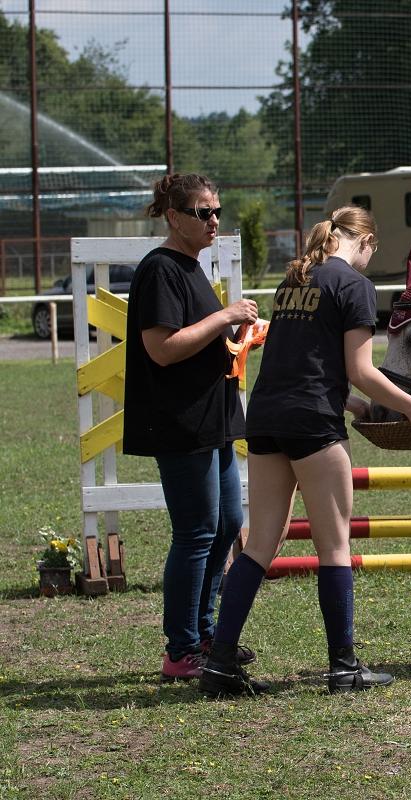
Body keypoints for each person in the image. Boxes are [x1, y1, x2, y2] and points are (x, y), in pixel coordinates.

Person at [199, 205, 411, 696]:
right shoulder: (355, 285)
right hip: (313, 426)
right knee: (333, 547)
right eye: (373, 249)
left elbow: (302, 362)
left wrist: (351, 404)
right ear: (366, 242)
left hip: (266, 419)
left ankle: (220, 663)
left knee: (260, 545)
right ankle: (343, 668)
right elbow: (361, 370)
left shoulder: (293, 279)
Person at [123, 173, 260, 682]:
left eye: (217, 211)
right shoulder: (161, 269)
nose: (214, 221)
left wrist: (237, 335)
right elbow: (161, 349)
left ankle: (204, 635)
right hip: (179, 423)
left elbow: (197, 339)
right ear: (174, 217)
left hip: (212, 419)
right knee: (197, 532)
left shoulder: (192, 267)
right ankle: (181, 650)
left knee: (226, 525)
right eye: (204, 213)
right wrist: (224, 317)